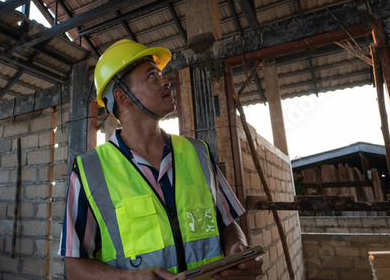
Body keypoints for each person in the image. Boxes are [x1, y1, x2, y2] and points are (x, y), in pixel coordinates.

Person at [58, 39, 263, 279]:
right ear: (122, 96)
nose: (166, 81)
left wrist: (237, 250)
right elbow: (74, 267)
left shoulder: (199, 152)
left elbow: (228, 223)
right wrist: (130, 278)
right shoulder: (90, 170)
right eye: (152, 76)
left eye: (162, 74)